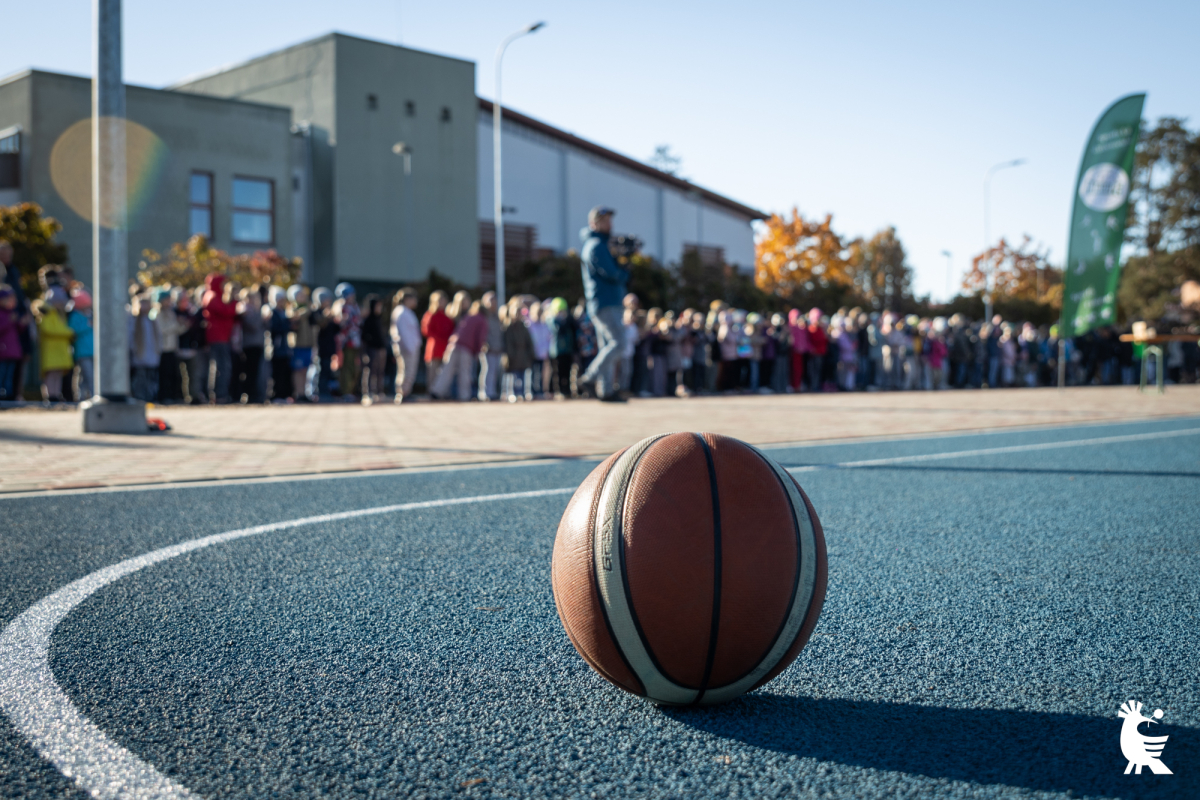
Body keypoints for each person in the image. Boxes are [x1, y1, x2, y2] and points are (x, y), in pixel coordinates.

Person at [577, 206, 630, 401]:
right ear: (594, 223)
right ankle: (589, 378)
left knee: (608, 346)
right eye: (605, 221)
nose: (610, 225)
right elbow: (611, 273)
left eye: (609, 220)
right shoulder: (596, 245)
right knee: (618, 343)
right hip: (605, 301)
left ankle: (606, 391)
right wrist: (624, 270)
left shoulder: (599, 244)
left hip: (605, 301)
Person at [432, 295, 487, 401]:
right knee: (464, 372)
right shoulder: (482, 320)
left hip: (453, 344)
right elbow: (480, 338)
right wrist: (478, 351)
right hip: (466, 347)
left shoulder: (469, 316)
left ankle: (437, 391)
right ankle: (464, 395)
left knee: (446, 370)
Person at [201, 273, 238, 403]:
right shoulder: (212, 296)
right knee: (221, 367)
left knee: (222, 367)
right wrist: (235, 303)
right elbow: (226, 311)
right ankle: (218, 394)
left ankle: (219, 393)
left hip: (223, 337)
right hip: (218, 338)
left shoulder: (215, 296)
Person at [151, 288, 184, 403]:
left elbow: (177, 329)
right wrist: (175, 326)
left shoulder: (171, 312)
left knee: (173, 374)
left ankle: (173, 396)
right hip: (162, 349)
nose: (169, 302)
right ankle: (164, 396)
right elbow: (161, 329)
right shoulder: (156, 313)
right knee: (164, 375)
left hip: (172, 348)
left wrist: (184, 326)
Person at [390, 287, 422, 403]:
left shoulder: (405, 312)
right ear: (407, 299)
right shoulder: (401, 312)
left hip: (410, 347)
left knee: (407, 371)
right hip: (407, 348)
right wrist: (410, 347)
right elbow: (402, 332)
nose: (415, 302)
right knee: (406, 371)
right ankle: (402, 394)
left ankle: (405, 392)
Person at [420, 290, 454, 397]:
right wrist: (440, 338)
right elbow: (426, 331)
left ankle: (442, 393)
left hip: (445, 348)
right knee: (432, 373)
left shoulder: (448, 316)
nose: (441, 302)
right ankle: (431, 393)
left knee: (444, 372)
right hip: (434, 348)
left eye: (443, 300)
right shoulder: (430, 314)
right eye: (439, 300)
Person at [128, 292, 160, 402]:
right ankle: (140, 397)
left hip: (151, 355)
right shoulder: (133, 321)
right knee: (140, 378)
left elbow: (157, 339)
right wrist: (134, 350)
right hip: (139, 356)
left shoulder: (152, 321)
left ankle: (150, 397)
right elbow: (131, 338)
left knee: (151, 378)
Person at [286, 285, 316, 402]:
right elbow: (295, 316)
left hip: (307, 344)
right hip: (297, 344)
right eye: (300, 295)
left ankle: (304, 393)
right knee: (298, 370)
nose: (303, 297)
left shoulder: (309, 309)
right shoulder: (292, 308)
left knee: (305, 370)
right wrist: (308, 309)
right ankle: (298, 393)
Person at [334, 282, 362, 401]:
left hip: (356, 341)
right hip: (346, 342)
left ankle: (352, 390)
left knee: (355, 367)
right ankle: (346, 391)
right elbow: (341, 324)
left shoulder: (354, 306)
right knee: (347, 367)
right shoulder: (340, 307)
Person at [266, 286, 293, 403]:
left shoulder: (284, 312)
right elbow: (275, 328)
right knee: (276, 372)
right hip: (276, 348)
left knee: (285, 372)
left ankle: (284, 394)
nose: (281, 301)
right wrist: (288, 326)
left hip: (285, 348)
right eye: (279, 298)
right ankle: (276, 395)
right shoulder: (272, 312)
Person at [67, 288, 94, 400]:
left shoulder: (91, 315)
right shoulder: (75, 316)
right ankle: (83, 397)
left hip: (93, 351)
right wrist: (88, 324)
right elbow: (73, 331)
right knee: (87, 376)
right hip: (82, 352)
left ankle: (86, 396)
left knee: (88, 377)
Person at [360, 293, 387, 405]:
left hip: (380, 349)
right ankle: (368, 392)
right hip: (371, 349)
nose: (379, 308)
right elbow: (364, 336)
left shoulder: (379, 319)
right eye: (377, 306)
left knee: (380, 371)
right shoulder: (367, 320)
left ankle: (378, 392)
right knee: (370, 371)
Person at [0, 283, 25, 400]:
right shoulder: (3, 314)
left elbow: (18, 330)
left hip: (13, 350)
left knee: (10, 375)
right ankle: (2, 393)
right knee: (2, 374)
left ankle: (9, 395)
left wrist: (22, 322)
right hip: (3, 350)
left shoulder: (12, 313)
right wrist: (10, 321)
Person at [547, 297, 576, 399]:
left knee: (567, 371)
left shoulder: (569, 320)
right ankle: (557, 390)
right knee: (557, 372)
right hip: (556, 351)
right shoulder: (552, 320)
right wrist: (559, 320)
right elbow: (558, 330)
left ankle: (566, 390)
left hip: (567, 350)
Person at [478, 291, 504, 401]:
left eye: (494, 300)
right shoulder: (482, 316)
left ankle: (492, 392)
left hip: (497, 348)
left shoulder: (497, 317)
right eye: (490, 300)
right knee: (487, 371)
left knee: (495, 372)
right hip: (487, 349)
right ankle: (485, 392)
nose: (493, 303)